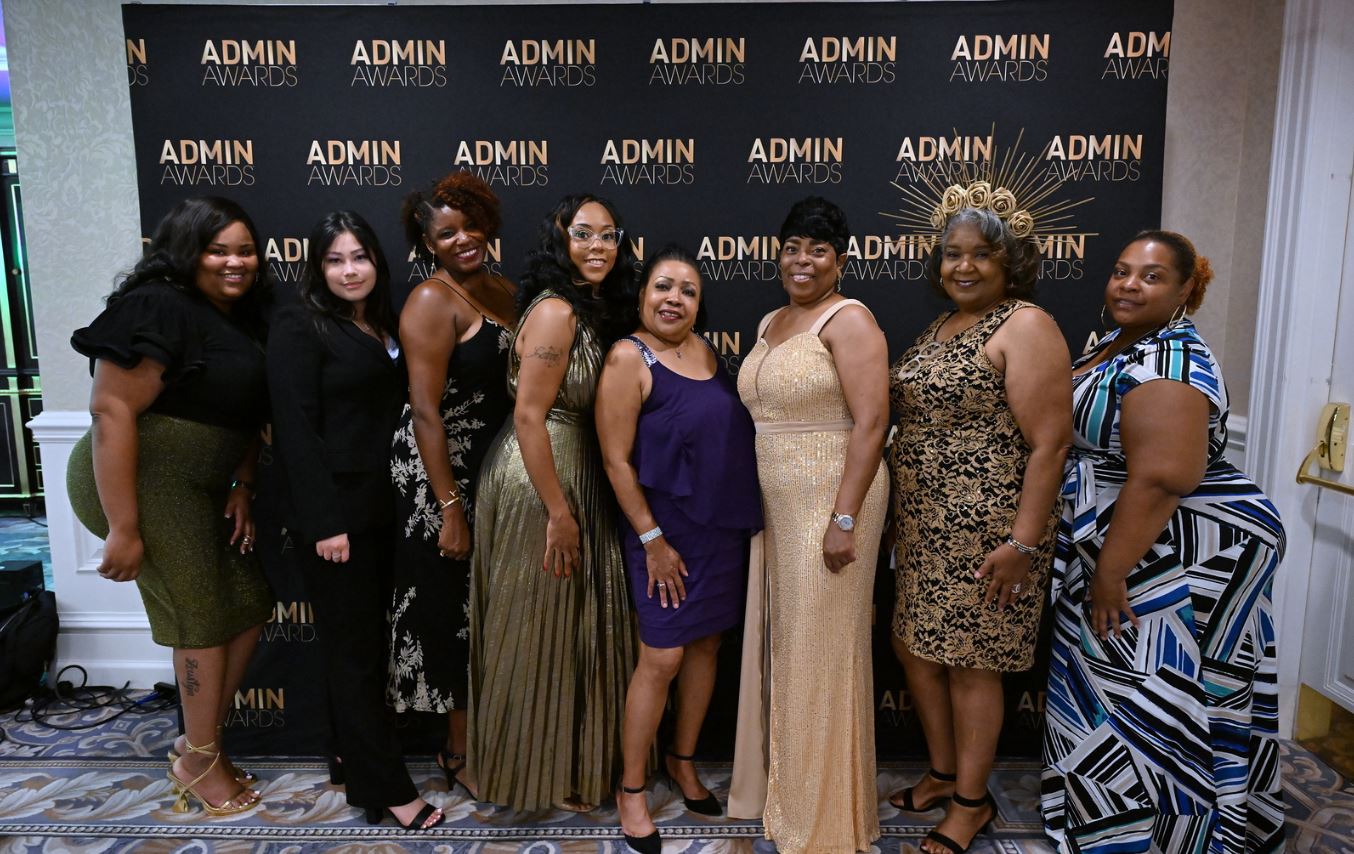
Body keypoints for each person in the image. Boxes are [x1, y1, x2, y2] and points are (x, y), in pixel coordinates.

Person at [1042, 231, 1285, 852]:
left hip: (1176, 552)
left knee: (1149, 700)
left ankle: (1155, 840)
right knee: (1117, 691)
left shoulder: (1170, 361)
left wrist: (1110, 570)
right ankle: (1112, 827)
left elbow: (1160, 477)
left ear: (1185, 290)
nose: (1128, 284)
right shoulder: (1124, 343)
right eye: (1122, 272)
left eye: (1150, 277)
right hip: (1132, 539)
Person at [66, 196, 272, 817]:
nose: (235, 262)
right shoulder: (157, 304)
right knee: (199, 615)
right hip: (148, 482)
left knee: (247, 603)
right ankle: (199, 760)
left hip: (199, 487)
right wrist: (123, 527)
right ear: (186, 252)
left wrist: (241, 483)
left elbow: (237, 412)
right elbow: (111, 410)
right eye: (218, 250)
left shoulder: (235, 317)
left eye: (244, 249)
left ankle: (197, 742)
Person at [887, 206, 1072, 854]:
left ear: (1008, 263)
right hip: (923, 530)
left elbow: (1050, 446)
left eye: (980, 255)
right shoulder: (942, 326)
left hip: (989, 535)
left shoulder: (1024, 325)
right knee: (917, 651)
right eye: (952, 254)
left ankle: (972, 803)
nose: (963, 266)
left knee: (972, 668)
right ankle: (943, 774)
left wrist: (1022, 544)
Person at [266, 211, 444, 831]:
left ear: (378, 262)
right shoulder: (299, 325)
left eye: (360, 257)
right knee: (358, 655)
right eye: (336, 259)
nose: (349, 270)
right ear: (318, 268)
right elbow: (297, 431)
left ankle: (346, 755)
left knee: (363, 647)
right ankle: (385, 787)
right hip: (338, 521)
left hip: (384, 511)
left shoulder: (382, 324)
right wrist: (324, 522)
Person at [728, 196, 889, 853]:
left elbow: (873, 423)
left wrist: (843, 517)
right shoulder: (773, 320)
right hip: (779, 508)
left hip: (833, 502)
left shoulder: (849, 320)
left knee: (822, 655)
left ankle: (824, 822)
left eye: (818, 249)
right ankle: (790, 797)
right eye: (793, 246)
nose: (802, 259)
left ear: (841, 261)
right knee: (790, 651)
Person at [468, 194, 638, 813]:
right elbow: (529, 416)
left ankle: (564, 764)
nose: (598, 246)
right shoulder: (556, 312)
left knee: (566, 623)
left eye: (610, 235)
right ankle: (525, 775)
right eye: (583, 234)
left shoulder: (585, 311)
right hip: (539, 480)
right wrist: (559, 513)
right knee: (535, 619)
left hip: (573, 472)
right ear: (559, 242)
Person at [595, 245, 762, 851]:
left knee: (708, 643)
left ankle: (683, 758)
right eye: (664, 286)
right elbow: (615, 460)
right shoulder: (626, 357)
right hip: (660, 532)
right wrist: (652, 541)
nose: (674, 299)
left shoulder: (708, 353)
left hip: (718, 529)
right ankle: (632, 789)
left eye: (688, 291)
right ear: (642, 296)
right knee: (661, 658)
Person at [387, 172, 516, 798]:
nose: (462, 238)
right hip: (439, 474)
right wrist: (450, 509)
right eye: (446, 232)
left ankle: (488, 738)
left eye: (470, 225)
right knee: (451, 612)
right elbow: (425, 413)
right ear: (429, 243)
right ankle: (457, 750)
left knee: (484, 610)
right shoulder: (430, 302)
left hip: (490, 469)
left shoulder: (503, 290)